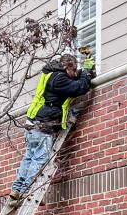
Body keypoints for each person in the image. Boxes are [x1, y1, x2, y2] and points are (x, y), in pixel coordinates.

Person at [10, 52, 95, 198]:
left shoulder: (52, 73)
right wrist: (87, 73)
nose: (75, 73)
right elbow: (79, 88)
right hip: (43, 125)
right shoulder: (59, 79)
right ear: (66, 67)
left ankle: (17, 190)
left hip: (32, 123)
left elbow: (73, 80)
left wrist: (82, 72)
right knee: (40, 159)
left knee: (29, 157)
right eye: (73, 70)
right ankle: (28, 191)